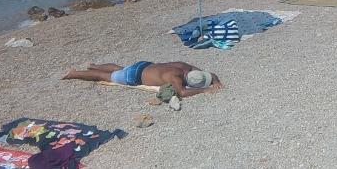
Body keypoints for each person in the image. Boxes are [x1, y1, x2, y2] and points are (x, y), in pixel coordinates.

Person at [63, 61, 221, 98]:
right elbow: (182, 92)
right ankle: (73, 74)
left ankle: (94, 66)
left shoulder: (183, 66)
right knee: (105, 77)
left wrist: (216, 80)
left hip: (144, 65)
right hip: (134, 76)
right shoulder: (175, 78)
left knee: (120, 68)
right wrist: (205, 90)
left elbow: (209, 73)